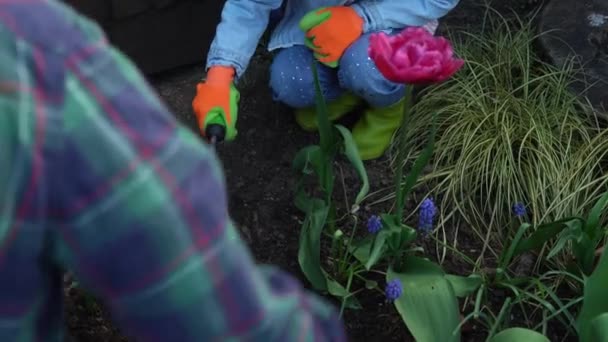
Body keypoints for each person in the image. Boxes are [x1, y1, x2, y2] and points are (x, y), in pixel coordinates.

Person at [0, 1, 345, 341]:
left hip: (376, 35)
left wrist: (367, 17)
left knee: (365, 69)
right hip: (309, 40)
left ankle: (376, 101)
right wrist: (222, 72)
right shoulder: (32, 56)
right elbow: (220, 321)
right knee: (294, 79)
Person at [192, 0, 460, 160]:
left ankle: (388, 108)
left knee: (365, 66)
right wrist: (220, 75)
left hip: (392, 23)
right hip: (321, 25)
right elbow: (250, 5)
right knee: (289, 82)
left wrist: (361, 18)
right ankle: (349, 93)